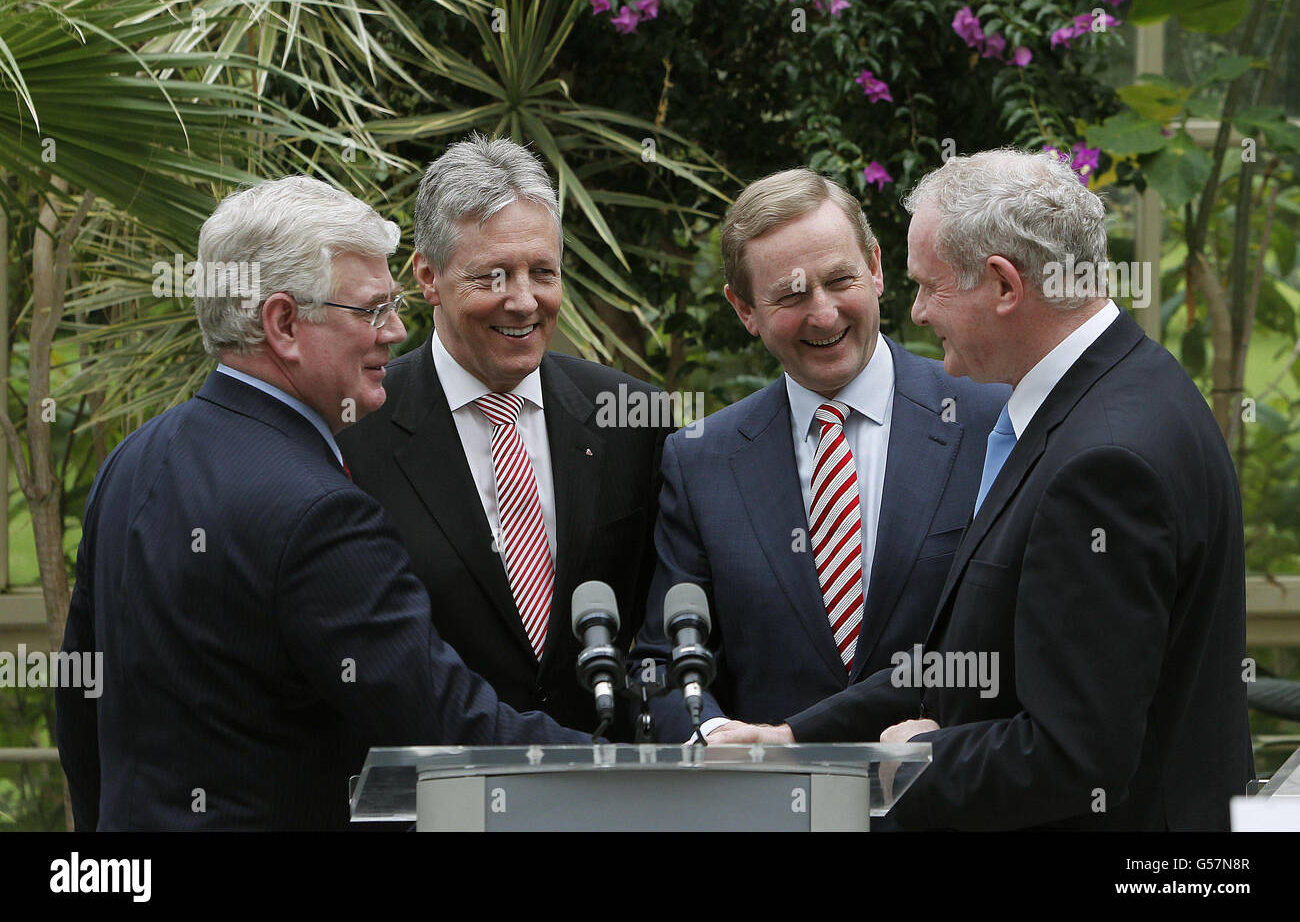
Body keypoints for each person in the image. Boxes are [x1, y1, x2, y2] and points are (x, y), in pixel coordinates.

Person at [710, 149, 1253, 831]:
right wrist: (795, 737)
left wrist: (916, 757)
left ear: (1002, 284)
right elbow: (980, 657)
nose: (917, 311)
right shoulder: (1121, 387)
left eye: (929, 286)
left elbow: (1074, 756)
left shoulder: (1104, 462)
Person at [55, 176, 590, 832]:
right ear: (284, 323)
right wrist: (650, 775)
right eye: (370, 310)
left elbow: (80, 701)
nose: (395, 331)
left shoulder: (131, 462)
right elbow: (446, 728)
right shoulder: (319, 512)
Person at [632, 168, 1007, 742]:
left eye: (840, 280)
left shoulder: (991, 421)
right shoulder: (702, 461)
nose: (824, 314)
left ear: (877, 268)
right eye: (790, 294)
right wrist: (707, 740)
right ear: (744, 310)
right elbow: (665, 662)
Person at [337, 136, 668, 738]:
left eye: (542, 273)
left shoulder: (634, 417)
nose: (523, 301)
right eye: (493, 276)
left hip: (603, 792)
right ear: (428, 277)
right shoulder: (355, 430)